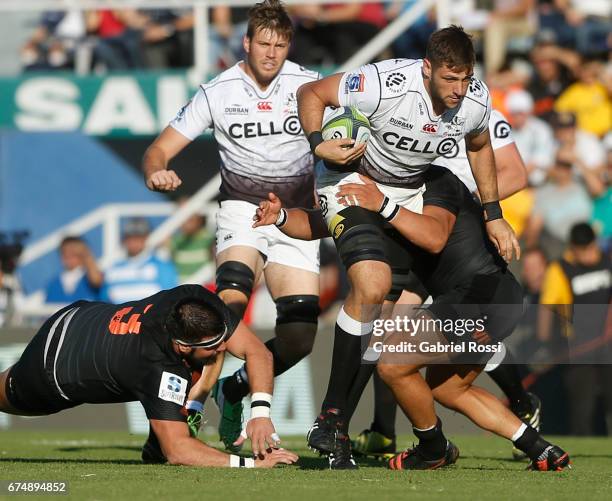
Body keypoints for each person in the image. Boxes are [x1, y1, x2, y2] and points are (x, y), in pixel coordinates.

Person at [296, 24, 518, 468]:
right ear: (426, 68)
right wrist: (320, 145)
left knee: (389, 320)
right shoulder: (384, 83)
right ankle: (333, 417)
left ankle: (345, 426)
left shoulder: (475, 99)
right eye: (449, 79)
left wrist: (494, 214)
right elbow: (311, 93)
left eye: (465, 79)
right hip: (350, 180)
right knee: (372, 284)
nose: (458, 90)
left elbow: (479, 145)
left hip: (408, 191)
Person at [252, 165, 570, 472]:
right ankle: (541, 449)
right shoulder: (386, 193)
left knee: (392, 362)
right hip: (477, 301)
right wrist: (280, 216)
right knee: (449, 390)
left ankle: (432, 448)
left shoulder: (437, 180)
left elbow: (435, 237)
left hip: (480, 296)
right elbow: (325, 222)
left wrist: (383, 204)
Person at [142, 1, 321, 452]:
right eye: (263, 43)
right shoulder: (216, 91)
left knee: (300, 337)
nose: (271, 54)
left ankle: (235, 387)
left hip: (295, 216)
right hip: (242, 208)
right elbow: (159, 149)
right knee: (228, 306)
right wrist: (156, 171)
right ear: (246, 42)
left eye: (280, 45)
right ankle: (183, 410)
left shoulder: (310, 86)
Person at [353, 108, 539, 461]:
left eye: (461, 79)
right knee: (390, 336)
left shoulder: (479, 115)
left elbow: (515, 174)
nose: (453, 89)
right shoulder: (402, 116)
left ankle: (519, 402)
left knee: (440, 339)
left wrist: (451, 203)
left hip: (460, 245)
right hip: (423, 242)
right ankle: (384, 429)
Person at [0, 284, 297, 468]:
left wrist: (260, 413)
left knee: (191, 371)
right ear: (181, 344)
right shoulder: (157, 366)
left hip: (80, 315)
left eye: (221, 337)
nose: (223, 348)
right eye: (211, 344)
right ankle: (159, 440)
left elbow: (258, 353)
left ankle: (156, 441)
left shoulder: (191, 300)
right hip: (50, 370)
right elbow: (179, 451)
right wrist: (249, 465)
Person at [538, 222, 612, 435]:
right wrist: (544, 343)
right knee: (582, 404)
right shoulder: (560, 268)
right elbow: (547, 307)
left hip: (608, 343)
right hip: (579, 347)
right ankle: (583, 450)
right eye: (580, 251)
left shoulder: (608, 263)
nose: (585, 256)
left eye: (588, 249)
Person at [100, 217, 178, 304]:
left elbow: (169, 299)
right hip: (118, 316)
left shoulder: (162, 266)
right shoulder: (112, 269)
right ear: (124, 239)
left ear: (146, 238)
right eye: (130, 237)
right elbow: (104, 300)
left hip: (150, 316)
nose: (134, 241)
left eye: (139, 237)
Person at [45, 236, 103, 303]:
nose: (69, 257)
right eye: (65, 253)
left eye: (73, 254)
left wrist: (87, 256)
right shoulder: (54, 283)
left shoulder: (89, 277)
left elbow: (97, 281)